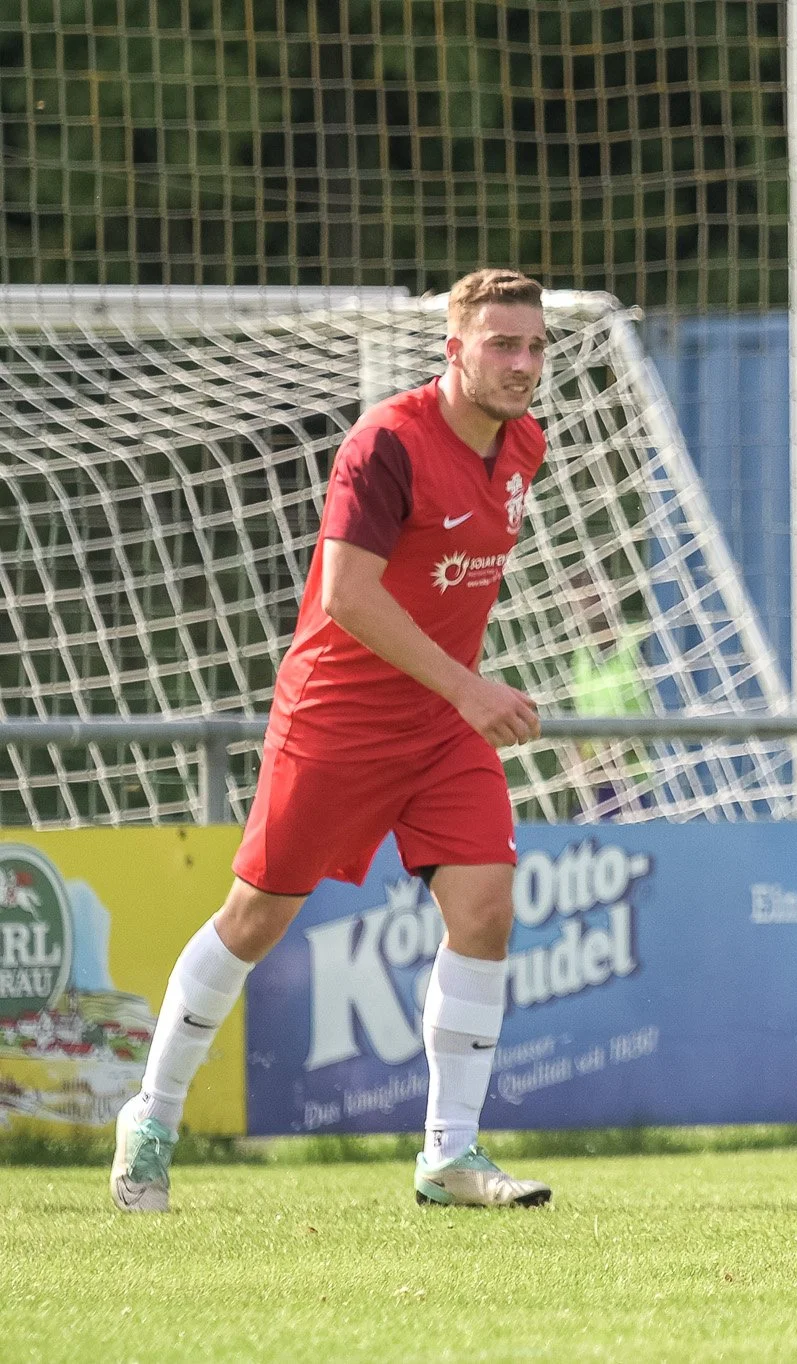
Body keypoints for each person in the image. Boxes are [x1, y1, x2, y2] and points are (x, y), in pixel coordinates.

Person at [112, 269, 556, 1212]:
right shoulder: (386, 442)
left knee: (485, 910)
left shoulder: (526, 446)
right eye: (502, 345)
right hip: (338, 723)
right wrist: (471, 686)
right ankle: (150, 1115)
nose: (523, 364)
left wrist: (458, 698)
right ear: (456, 349)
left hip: (439, 730)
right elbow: (349, 597)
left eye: (535, 346)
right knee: (256, 920)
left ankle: (450, 1155)